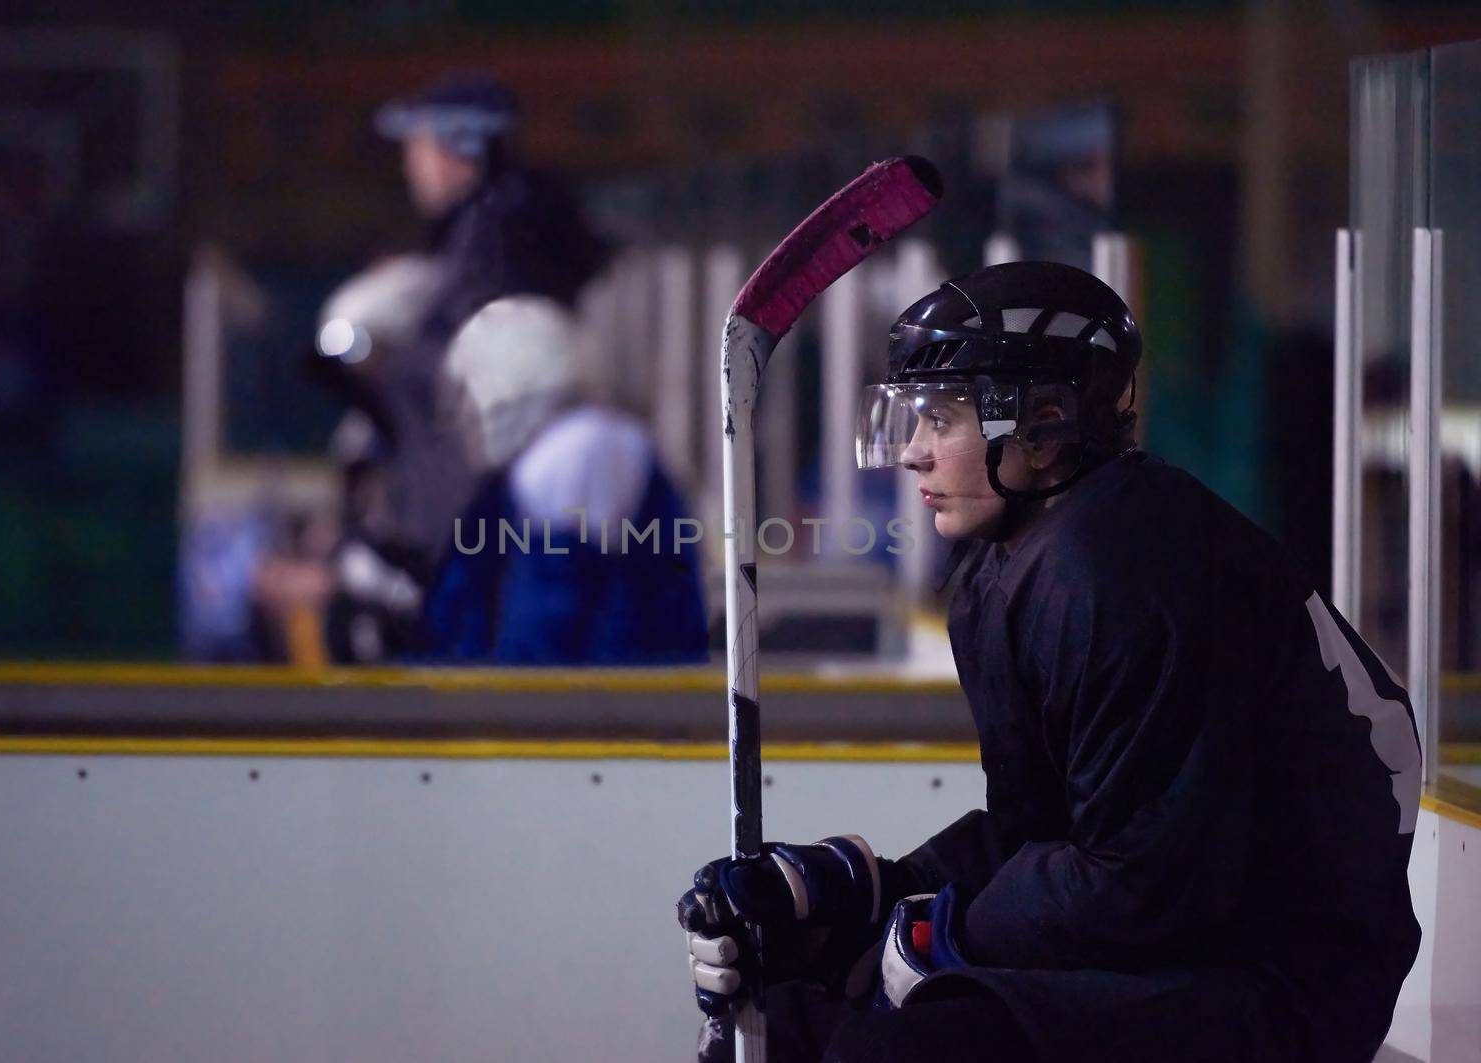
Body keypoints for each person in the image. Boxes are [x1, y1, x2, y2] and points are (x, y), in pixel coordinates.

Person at [677, 261, 1421, 1063]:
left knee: (905, 1050)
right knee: (786, 1021)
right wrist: (862, 891)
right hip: (1187, 941)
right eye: (912, 419)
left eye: (941, 419)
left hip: (1281, 982)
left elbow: (1141, 881)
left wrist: (929, 930)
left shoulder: (1124, 566)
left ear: (1045, 421)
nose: (914, 454)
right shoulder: (1011, 567)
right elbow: (1048, 833)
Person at [312, 73, 609, 662]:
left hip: (476, 544)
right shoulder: (482, 237)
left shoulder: (499, 241)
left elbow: (475, 395)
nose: (411, 166)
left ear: (462, 148)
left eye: (419, 147)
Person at [420, 294, 708, 664]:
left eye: (467, 395)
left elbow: (557, 617)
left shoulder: (581, 445)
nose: (464, 413)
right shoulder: (567, 449)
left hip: (604, 710)